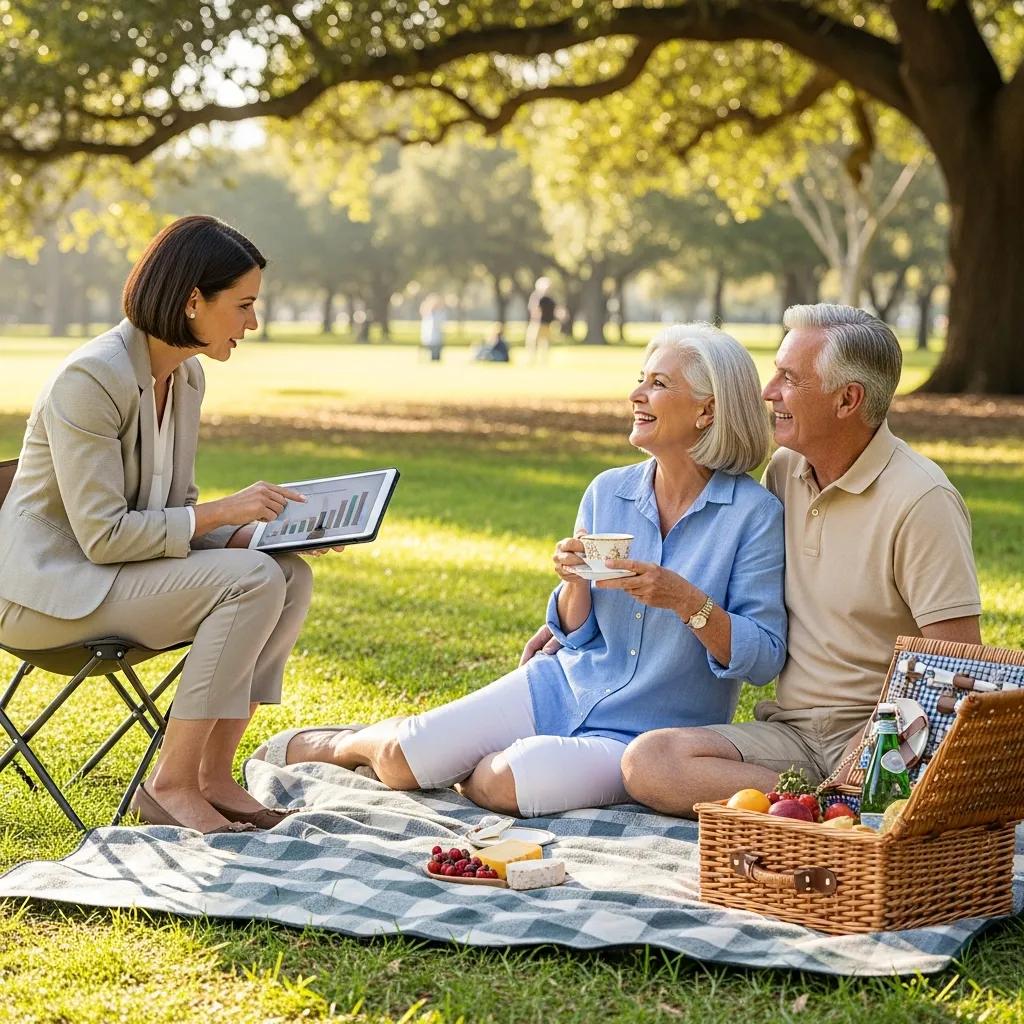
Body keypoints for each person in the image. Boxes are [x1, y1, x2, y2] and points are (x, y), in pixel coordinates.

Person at [253, 324, 787, 817]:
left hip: (643, 737)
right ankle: (346, 742)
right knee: (401, 760)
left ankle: (461, 749)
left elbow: (763, 657)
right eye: (639, 380)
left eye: (658, 384)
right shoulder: (609, 491)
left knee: (500, 783)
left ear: (707, 410)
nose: (636, 395)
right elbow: (577, 633)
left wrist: (685, 601)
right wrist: (573, 580)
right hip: (563, 685)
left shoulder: (754, 516)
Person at [0, 215, 339, 834]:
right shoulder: (91, 378)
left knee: (285, 573)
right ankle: (170, 785)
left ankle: (212, 777)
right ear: (192, 302)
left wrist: (254, 534)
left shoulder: (184, 377)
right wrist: (228, 512)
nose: (251, 324)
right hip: (50, 595)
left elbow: (174, 508)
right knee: (252, 582)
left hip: (115, 577)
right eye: (242, 305)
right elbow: (103, 535)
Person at [611, 303, 982, 816]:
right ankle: (824, 808)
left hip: (884, 739)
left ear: (847, 399)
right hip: (791, 736)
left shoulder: (921, 501)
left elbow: (958, 663)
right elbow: (731, 573)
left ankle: (828, 807)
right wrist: (583, 600)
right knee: (649, 762)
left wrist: (874, 753)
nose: (768, 392)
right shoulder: (785, 472)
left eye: (789, 378)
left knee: (869, 790)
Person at [525, 277, 557, 360]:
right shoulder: (536, 297)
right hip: (537, 323)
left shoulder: (550, 299)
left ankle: (544, 359)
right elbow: (533, 310)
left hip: (547, 323)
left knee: (545, 342)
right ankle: (532, 358)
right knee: (533, 342)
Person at [419, 294, 446, 362]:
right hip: (429, 340)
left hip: (437, 340)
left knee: (436, 358)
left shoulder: (439, 314)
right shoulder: (428, 314)